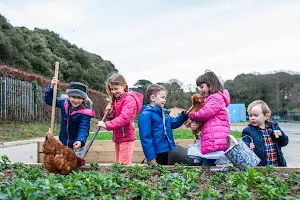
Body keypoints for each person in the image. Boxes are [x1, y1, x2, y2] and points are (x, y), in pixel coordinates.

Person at [138, 84, 193, 165]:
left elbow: (174, 123)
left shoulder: (163, 113)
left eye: (165, 98)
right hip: (156, 152)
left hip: (167, 150)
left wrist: (184, 115)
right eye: (162, 97)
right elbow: (145, 138)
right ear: (153, 98)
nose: (165, 100)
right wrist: (150, 157)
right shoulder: (145, 115)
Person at [97, 73, 143, 166]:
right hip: (118, 136)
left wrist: (107, 125)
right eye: (112, 89)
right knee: (119, 164)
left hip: (126, 137)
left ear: (124, 86)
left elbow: (124, 118)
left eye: (116, 88)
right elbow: (116, 116)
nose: (113, 91)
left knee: (123, 166)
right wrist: (110, 112)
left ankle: (125, 180)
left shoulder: (129, 99)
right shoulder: (117, 99)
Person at [188, 70, 230, 166]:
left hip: (214, 139)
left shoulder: (215, 98)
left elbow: (204, 113)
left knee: (207, 166)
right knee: (208, 165)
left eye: (202, 87)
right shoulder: (213, 98)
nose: (201, 90)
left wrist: (191, 115)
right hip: (213, 138)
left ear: (210, 84)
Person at [45, 77, 95, 150]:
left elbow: (83, 128)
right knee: (64, 161)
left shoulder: (85, 112)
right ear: (69, 96)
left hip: (77, 144)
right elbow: (49, 100)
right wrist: (51, 87)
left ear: (83, 99)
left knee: (77, 161)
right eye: (73, 97)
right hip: (63, 142)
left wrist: (80, 140)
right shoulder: (64, 103)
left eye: (79, 98)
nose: (76, 100)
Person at [242, 100, 288, 166]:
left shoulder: (274, 128)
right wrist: (248, 146)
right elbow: (244, 145)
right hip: (259, 167)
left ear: (265, 116)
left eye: (256, 115)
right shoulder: (248, 131)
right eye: (250, 115)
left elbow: (284, 143)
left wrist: (281, 135)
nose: (252, 118)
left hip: (277, 165)